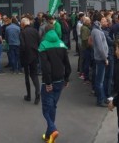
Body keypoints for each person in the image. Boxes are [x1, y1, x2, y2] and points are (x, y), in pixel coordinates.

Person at [38, 15, 71, 143]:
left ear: (45, 32)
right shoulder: (62, 44)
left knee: (46, 108)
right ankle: (48, 136)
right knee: (53, 107)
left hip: (49, 82)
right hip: (60, 80)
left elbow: (45, 67)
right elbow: (67, 64)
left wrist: (47, 82)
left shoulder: (43, 45)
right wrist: (67, 79)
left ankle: (52, 128)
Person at [20, 17, 41, 104]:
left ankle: (28, 95)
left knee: (27, 76)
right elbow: (39, 42)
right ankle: (38, 92)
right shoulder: (35, 31)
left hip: (26, 56)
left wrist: (21, 57)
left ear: (23, 24)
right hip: (35, 55)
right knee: (34, 75)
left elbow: (22, 46)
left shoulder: (22, 32)